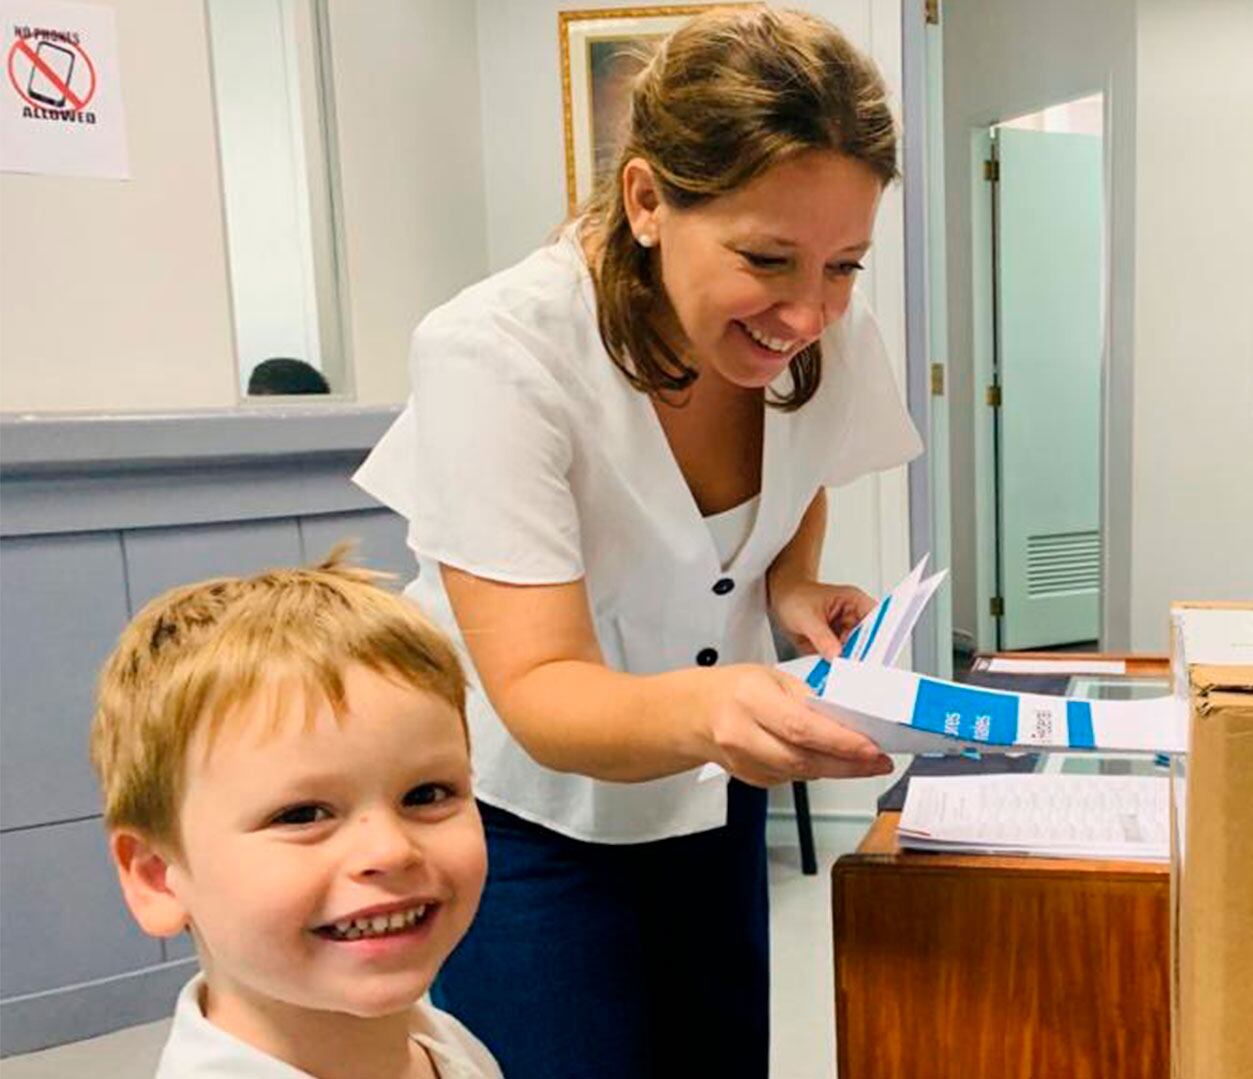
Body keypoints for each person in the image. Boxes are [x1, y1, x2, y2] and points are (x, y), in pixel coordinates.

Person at [351, 8, 920, 1076]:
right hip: (529, 815)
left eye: (845, 262)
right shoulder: (496, 352)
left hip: (709, 788)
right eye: (768, 257)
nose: (808, 311)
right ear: (649, 199)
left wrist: (792, 585)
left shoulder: (825, 333)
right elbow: (541, 687)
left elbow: (805, 472)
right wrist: (720, 706)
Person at [89, 552, 499, 1078]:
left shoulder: (440, 1040)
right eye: (302, 814)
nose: (390, 850)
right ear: (157, 878)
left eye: (426, 795)